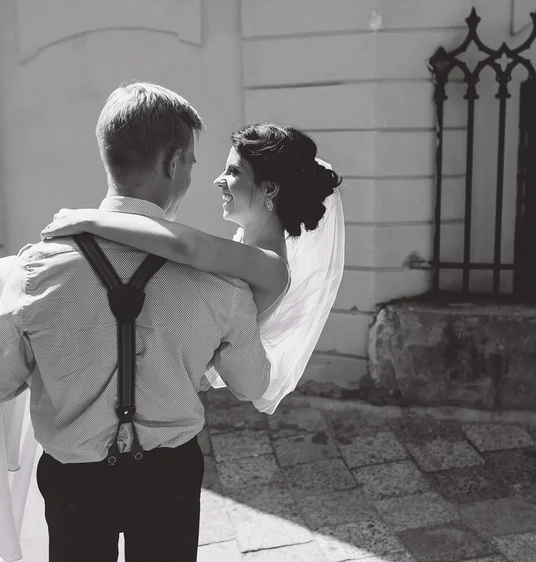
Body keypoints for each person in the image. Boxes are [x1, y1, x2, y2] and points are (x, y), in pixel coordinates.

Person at [0, 82, 272, 562]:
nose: (194, 171)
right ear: (173, 161)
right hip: (169, 475)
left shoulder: (35, 270)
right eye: (193, 161)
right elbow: (250, 384)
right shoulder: (220, 282)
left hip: (75, 482)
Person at [42, 122, 346, 414]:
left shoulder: (269, 264)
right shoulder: (245, 246)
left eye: (233, 171)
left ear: (269, 189)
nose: (218, 179)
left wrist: (90, 220)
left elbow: (187, 247)